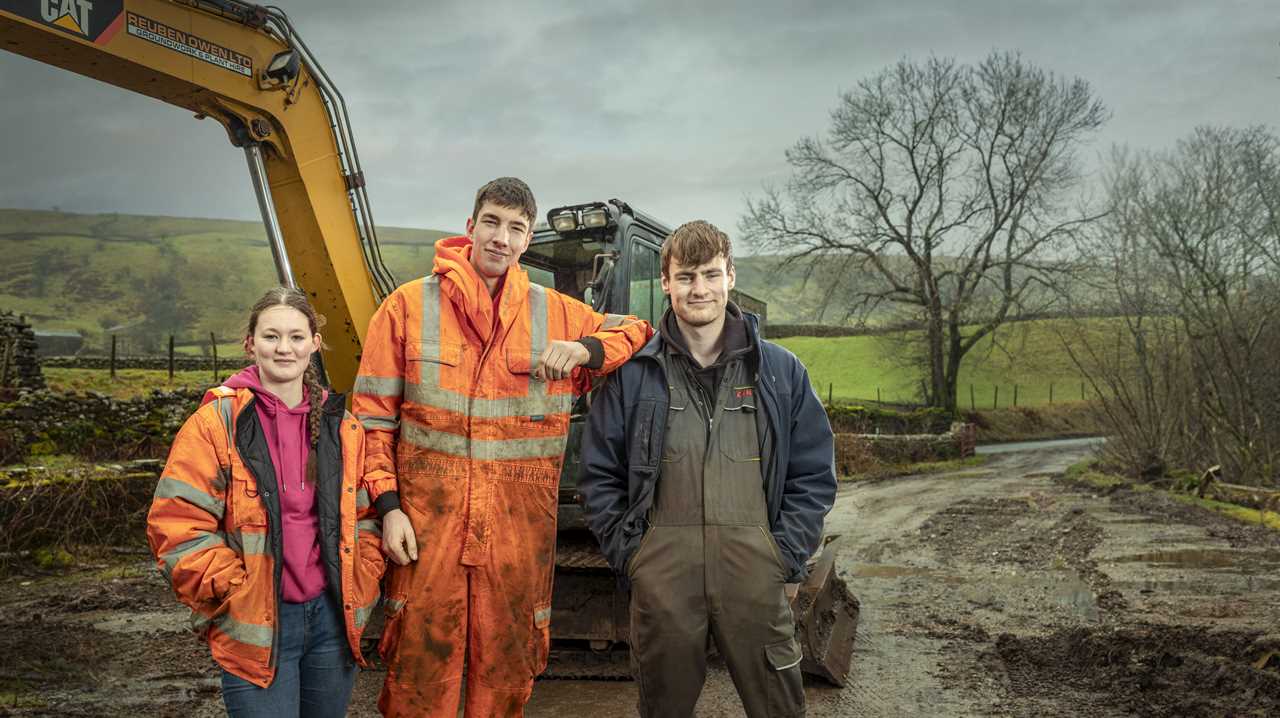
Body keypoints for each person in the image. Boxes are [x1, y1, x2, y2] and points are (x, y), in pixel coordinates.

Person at [352, 177, 651, 717]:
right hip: (426, 531)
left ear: (526, 238)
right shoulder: (405, 309)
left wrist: (586, 349)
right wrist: (388, 507)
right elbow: (370, 424)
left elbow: (638, 329)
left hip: (517, 536)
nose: (501, 238)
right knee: (419, 671)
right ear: (470, 228)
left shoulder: (556, 315)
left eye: (516, 228)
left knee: (507, 673)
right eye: (492, 222)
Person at [578, 220, 837, 718]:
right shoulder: (634, 376)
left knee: (778, 707)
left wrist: (783, 554)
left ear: (731, 277)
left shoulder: (780, 372)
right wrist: (634, 556)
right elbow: (599, 473)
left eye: (712, 275)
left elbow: (814, 474)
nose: (700, 289)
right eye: (688, 276)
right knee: (664, 707)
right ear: (666, 282)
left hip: (755, 573)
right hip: (663, 576)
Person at [146, 287, 392, 717]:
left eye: (296, 337)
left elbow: (366, 515)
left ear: (314, 344)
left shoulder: (342, 426)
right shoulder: (217, 423)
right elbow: (176, 524)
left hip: (331, 624)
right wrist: (237, 590)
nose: (284, 349)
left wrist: (364, 578)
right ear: (250, 343)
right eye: (271, 336)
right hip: (258, 622)